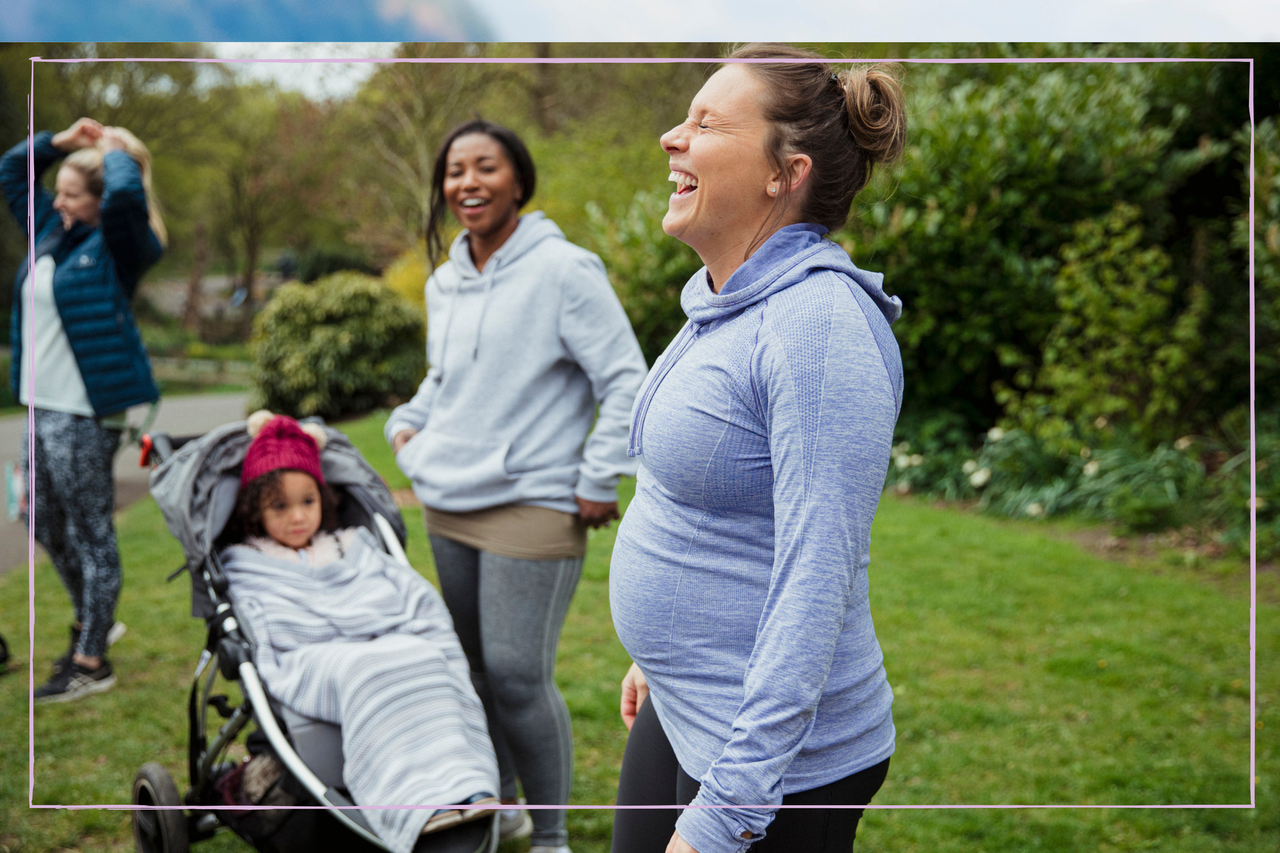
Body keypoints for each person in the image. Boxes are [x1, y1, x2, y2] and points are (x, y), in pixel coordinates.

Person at [608, 44, 908, 853]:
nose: (673, 137)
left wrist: (729, 810)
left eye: (706, 123)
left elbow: (816, 576)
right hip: (686, 702)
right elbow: (706, 501)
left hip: (777, 762)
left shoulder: (817, 326)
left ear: (786, 172)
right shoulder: (726, 303)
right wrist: (662, 655)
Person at [384, 119, 647, 853]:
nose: (467, 182)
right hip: (448, 501)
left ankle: (554, 837)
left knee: (518, 677)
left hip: (535, 500)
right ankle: (502, 810)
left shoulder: (565, 270)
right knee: (474, 672)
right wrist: (406, 429)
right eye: (455, 170)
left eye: (485, 167)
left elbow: (627, 379)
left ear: (519, 182)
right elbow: (444, 378)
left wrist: (597, 475)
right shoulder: (444, 280)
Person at [219, 412, 500, 853]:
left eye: (307, 502)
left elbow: (405, 594)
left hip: (378, 640)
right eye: (280, 506)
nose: (297, 517)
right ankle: (409, 799)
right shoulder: (248, 562)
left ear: (323, 499)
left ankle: (461, 783)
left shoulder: (351, 546)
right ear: (254, 508)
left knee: (426, 658)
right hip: (312, 654)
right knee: (368, 671)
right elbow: (271, 626)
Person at [1, 118, 165, 702]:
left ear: (99, 200)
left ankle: (92, 660)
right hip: (38, 406)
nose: (59, 201)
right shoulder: (52, 232)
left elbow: (125, 196)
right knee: (39, 519)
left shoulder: (124, 245)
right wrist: (61, 143)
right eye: (60, 191)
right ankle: (93, 616)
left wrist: (117, 153)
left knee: (94, 531)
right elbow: (11, 170)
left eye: (73, 193)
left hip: (82, 413)